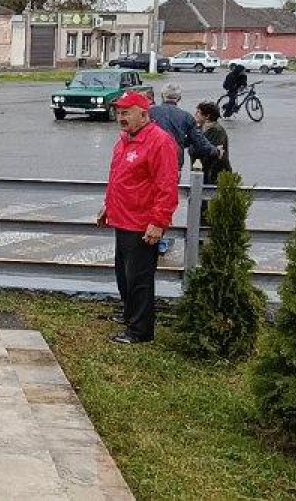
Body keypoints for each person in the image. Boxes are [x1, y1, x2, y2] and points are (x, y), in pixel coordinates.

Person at [98, 91, 179, 345]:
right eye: (119, 112)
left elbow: (166, 186)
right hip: (122, 219)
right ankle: (130, 315)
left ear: (143, 114)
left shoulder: (159, 142)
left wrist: (158, 222)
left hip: (142, 224)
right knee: (124, 276)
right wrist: (108, 207)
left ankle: (140, 331)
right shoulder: (125, 140)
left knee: (139, 279)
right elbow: (118, 178)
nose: (121, 117)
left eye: (126, 112)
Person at [148, 83, 219, 252]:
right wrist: (216, 151)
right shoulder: (186, 117)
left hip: (147, 163)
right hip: (172, 165)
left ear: (162, 96)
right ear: (179, 98)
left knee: (146, 198)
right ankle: (161, 238)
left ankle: (145, 232)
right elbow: (200, 143)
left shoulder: (150, 112)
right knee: (166, 200)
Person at [194, 100, 232, 225]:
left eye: (198, 112)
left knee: (210, 208)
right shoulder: (200, 129)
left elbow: (206, 152)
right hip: (202, 173)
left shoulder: (216, 131)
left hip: (214, 174)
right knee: (200, 207)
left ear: (207, 116)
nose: (195, 115)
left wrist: (196, 149)